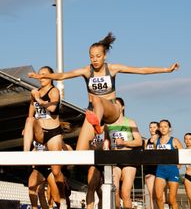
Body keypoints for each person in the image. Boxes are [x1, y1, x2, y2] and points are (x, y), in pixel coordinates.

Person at [28, 32, 179, 150]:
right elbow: (63, 75)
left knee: (97, 99)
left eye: (98, 56)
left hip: (111, 110)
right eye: (91, 56)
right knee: (80, 152)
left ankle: (98, 127)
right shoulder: (87, 71)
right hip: (93, 111)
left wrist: (166, 69)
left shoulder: (112, 68)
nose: (94, 59)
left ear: (105, 56)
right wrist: (42, 75)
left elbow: (141, 70)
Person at [21, 66, 67, 209]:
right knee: (29, 120)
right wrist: (28, 128)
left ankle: (62, 197)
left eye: (45, 75)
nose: (41, 77)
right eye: (39, 75)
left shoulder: (54, 91)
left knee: (56, 171)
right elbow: (31, 112)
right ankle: (25, 155)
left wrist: (39, 99)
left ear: (51, 77)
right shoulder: (34, 93)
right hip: (41, 133)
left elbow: (53, 108)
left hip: (53, 133)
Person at [105, 97, 143, 209]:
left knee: (125, 193)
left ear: (122, 107)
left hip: (129, 159)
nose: (114, 107)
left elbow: (139, 141)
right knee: (114, 191)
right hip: (115, 159)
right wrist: (105, 146)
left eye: (117, 105)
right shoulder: (108, 125)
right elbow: (106, 141)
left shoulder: (130, 122)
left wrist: (125, 143)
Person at [154, 119, 183, 209]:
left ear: (169, 128)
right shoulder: (157, 141)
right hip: (161, 169)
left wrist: (180, 164)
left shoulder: (174, 140)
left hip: (172, 170)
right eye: (161, 126)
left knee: (172, 199)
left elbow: (182, 153)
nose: (163, 128)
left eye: (165, 126)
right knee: (159, 196)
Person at [144, 121, 164, 209]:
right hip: (149, 169)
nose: (152, 129)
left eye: (154, 127)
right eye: (150, 127)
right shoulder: (146, 141)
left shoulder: (161, 140)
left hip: (160, 168)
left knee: (160, 195)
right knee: (152, 195)